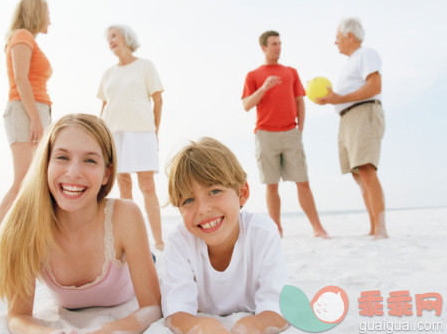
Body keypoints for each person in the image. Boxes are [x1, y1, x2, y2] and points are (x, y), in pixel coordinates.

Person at [0, 114, 161, 334]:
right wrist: (48, 332)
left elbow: (152, 307)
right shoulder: (25, 225)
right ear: (46, 164)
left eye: (90, 160)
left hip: (130, 262)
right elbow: (18, 316)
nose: (73, 173)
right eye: (62, 157)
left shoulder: (126, 215)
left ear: (106, 173)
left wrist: (114, 329)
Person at [162, 137, 289, 334]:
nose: (203, 209)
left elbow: (278, 306)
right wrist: (201, 326)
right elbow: (176, 311)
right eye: (188, 200)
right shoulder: (179, 240)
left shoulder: (262, 233)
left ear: (242, 193)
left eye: (214, 191)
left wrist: (253, 325)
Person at [242, 30, 329, 239]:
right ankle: (277, 230)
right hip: (265, 135)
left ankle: (318, 228)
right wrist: (263, 88)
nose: (278, 47)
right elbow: (246, 105)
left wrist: (300, 129)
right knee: (271, 185)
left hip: (291, 133)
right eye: (274, 44)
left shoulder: (291, 72)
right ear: (263, 47)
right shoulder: (253, 75)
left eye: (280, 43)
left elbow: (300, 101)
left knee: (303, 181)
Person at [0, 0, 53, 261]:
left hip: (36, 111)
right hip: (26, 112)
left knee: (34, 182)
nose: (50, 20)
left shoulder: (29, 39)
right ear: (36, 12)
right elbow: (21, 79)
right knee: (23, 181)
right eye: (47, 14)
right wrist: (35, 118)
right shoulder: (22, 35)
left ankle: (25, 243)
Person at [316, 18, 388, 239]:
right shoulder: (350, 62)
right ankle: (373, 227)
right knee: (358, 174)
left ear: (350, 36)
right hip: (347, 119)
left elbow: (375, 86)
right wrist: (333, 100)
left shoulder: (366, 54)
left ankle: (381, 229)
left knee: (366, 169)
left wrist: (339, 98)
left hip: (363, 114)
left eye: (337, 37)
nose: (335, 42)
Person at [97, 25, 165, 250]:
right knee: (124, 187)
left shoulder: (145, 66)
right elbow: (104, 107)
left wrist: (154, 132)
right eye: (108, 39)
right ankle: (136, 239)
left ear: (126, 37)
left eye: (114, 36)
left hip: (141, 131)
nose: (110, 41)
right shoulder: (108, 73)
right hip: (114, 134)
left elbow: (158, 101)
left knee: (147, 186)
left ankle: (159, 241)